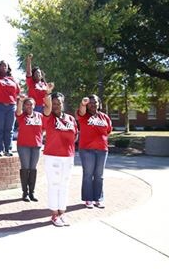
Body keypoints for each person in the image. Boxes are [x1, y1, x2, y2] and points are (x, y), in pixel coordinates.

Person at [42, 86, 78, 227]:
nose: (57, 106)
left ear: (63, 104)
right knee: (54, 184)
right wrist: (48, 93)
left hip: (68, 156)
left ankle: (62, 212)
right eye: (54, 103)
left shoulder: (70, 119)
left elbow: (75, 135)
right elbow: (47, 106)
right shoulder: (48, 117)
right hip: (52, 156)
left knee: (65, 184)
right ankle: (54, 214)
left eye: (59, 103)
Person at [76, 95, 112, 209]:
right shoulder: (83, 116)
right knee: (88, 174)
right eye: (90, 102)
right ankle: (88, 199)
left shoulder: (104, 117)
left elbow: (108, 131)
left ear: (99, 104)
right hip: (87, 150)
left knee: (99, 175)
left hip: (102, 150)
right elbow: (81, 111)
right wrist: (83, 103)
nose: (93, 104)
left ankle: (98, 199)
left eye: (95, 102)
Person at [16, 95, 43, 202]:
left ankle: (32, 192)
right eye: (27, 104)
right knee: (25, 167)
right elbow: (18, 111)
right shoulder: (21, 116)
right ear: (24, 106)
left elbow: (44, 129)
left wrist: (38, 137)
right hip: (23, 146)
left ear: (34, 105)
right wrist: (20, 101)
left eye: (31, 104)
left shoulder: (40, 116)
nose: (29, 106)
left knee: (33, 168)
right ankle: (25, 192)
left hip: (36, 146)